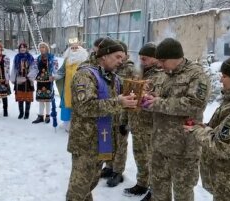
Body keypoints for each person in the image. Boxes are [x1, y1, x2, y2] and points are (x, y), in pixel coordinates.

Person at [66, 38, 138, 201]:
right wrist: (117, 102)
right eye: (118, 57)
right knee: (77, 191)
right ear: (104, 56)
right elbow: (84, 107)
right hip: (86, 144)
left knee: (89, 185)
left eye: (123, 57)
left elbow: (122, 92)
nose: (122, 61)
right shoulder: (85, 75)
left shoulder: (109, 75)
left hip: (101, 142)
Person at [142, 38, 211, 201]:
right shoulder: (164, 75)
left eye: (163, 60)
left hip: (183, 148)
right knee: (158, 190)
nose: (160, 65)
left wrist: (158, 103)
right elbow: (163, 98)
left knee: (183, 193)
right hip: (160, 144)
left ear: (175, 57)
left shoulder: (197, 75)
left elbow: (195, 105)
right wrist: (150, 97)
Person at [184, 52, 230, 201]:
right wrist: (204, 127)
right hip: (229, 180)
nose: (220, 79)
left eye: (224, 76)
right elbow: (228, 134)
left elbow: (220, 146)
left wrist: (196, 130)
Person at [123, 43, 166, 200]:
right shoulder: (138, 73)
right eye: (140, 57)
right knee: (140, 156)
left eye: (145, 58)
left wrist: (150, 93)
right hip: (136, 123)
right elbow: (129, 95)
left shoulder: (162, 76)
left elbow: (161, 98)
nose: (142, 60)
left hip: (151, 126)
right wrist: (124, 119)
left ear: (155, 58)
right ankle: (142, 183)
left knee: (153, 160)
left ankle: (154, 190)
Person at [101, 40, 140, 187]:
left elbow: (135, 93)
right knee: (108, 140)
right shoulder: (108, 68)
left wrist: (127, 120)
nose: (118, 59)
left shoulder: (131, 70)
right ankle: (109, 166)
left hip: (122, 113)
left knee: (120, 143)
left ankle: (118, 171)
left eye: (120, 56)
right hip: (109, 110)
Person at [54, 38, 88, 131]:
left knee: (79, 104)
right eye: (72, 48)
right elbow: (61, 71)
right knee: (67, 104)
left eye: (76, 48)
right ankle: (67, 124)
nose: (74, 49)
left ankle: (78, 125)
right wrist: (55, 76)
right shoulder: (67, 60)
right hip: (68, 87)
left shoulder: (84, 60)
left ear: (80, 48)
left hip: (80, 87)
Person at [32, 42, 58, 124]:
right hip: (40, 80)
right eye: (40, 47)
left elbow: (55, 69)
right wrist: (31, 77)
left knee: (48, 99)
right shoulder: (37, 59)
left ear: (47, 48)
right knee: (41, 98)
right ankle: (40, 116)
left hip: (48, 80)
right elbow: (34, 69)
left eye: (43, 47)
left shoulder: (52, 58)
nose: (42, 49)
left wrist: (54, 76)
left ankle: (47, 116)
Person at [11, 42, 36, 119]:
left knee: (28, 98)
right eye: (21, 48)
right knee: (20, 98)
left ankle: (27, 113)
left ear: (26, 49)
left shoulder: (30, 57)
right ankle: (21, 113)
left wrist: (29, 76)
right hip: (19, 79)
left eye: (24, 47)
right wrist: (13, 78)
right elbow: (14, 68)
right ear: (19, 49)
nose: (22, 49)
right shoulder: (16, 57)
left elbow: (34, 68)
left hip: (28, 80)